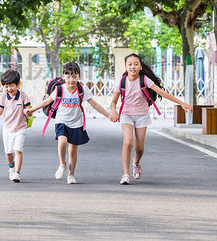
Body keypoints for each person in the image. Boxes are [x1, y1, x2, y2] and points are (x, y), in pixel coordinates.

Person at [110, 53, 193, 185]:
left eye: (136, 64)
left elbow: (162, 92)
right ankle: (125, 174)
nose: (133, 67)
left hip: (142, 116)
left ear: (141, 67)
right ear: (126, 67)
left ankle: (136, 162)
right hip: (126, 115)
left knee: (139, 149)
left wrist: (181, 103)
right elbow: (113, 102)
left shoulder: (145, 80)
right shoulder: (121, 82)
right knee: (127, 143)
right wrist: (114, 112)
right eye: (130, 64)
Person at [25, 62, 111, 184]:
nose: (71, 80)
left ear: (79, 77)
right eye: (68, 76)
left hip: (77, 122)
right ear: (63, 76)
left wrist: (108, 115)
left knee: (73, 149)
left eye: (74, 76)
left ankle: (71, 174)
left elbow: (94, 104)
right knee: (63, 141)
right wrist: (32, 110)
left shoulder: (82, 89)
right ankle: (62, 164)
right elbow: (46, 102)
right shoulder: (59, 89)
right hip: (62, 121)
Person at [0, 69, 31, 183]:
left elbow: (29, 109)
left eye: (11, 86)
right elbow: (0, 112)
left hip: (21, 129)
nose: (9, 88)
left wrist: (28, 112)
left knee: (18, 150)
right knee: (9, 152)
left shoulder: (23, 96)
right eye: (6, 86)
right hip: (7, 129)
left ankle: (17, 173)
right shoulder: (4, 97)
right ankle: (11, 167)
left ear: (18, 84)